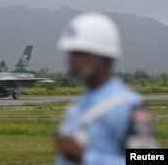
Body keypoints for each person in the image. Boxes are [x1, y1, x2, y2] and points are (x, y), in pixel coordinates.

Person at [54, 12, 157, 165]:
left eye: (77, 54)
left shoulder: (131, 107)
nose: (70, 60)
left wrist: (86, 157)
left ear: (99, 58)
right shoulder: (78, 106)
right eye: (70, 53)